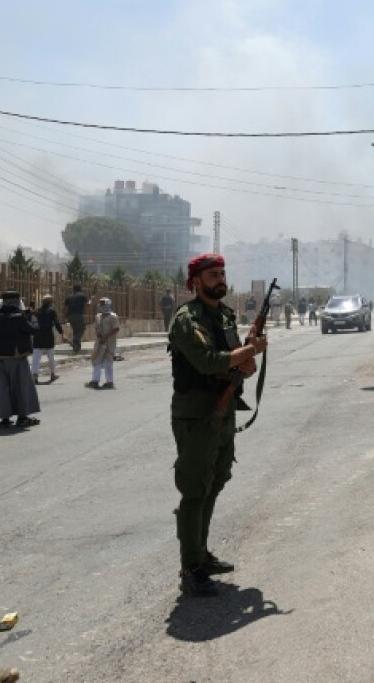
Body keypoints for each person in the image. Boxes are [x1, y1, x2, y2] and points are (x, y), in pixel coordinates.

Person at [168, 253, 268, 596]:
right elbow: (208, 362)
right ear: (196, 282)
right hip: (197, 414)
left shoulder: (224, 315)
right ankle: (191, 566)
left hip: (223, 410)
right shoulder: (187, 319)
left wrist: (247, 362)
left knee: (216, 480)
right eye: (213, 275)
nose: (220, 280)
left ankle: (202, 553)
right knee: (195, 488)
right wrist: (250, 352)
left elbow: (234, 361)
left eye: (222, 274)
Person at [0, 291, 41, 428]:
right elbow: (33, 330)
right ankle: (22, 417)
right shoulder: (19, 317)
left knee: (2, 389)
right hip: (16, 356)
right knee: (21, 386)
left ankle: (4, 419)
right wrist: (32, 317)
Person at [85, 298, 120, 389]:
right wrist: (99, 335)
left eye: (103, 304)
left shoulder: (113, 316)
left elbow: (116, 328)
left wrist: (106, 336)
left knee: (108, 361)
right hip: (100, 342)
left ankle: (109, 381)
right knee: (97, 360)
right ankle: (95, 380)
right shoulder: (98, 316)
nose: (101, 306)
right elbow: (96, 328)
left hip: (110, 342)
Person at [31, 295, 66, 383]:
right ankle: (53, 374)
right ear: (50, 302)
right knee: (51, 356)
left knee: (36, 357)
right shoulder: (51, 311)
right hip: (48, 335)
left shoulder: (37, 311)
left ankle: (34, 375)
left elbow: (33, 322)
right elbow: (57, 323)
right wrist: (62, 334)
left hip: (38, 335)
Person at [64, 284, 88, 354]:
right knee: (82, 328)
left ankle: (76, 347)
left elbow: (65, 308)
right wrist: (91, 301)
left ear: (73, 289)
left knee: (75, 330)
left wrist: (65, 316)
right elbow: (88, 305)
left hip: (70, 316)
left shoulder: (69, 297)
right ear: (80, 289)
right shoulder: (82, 296)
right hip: (79, 315)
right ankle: (75, 341)